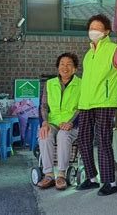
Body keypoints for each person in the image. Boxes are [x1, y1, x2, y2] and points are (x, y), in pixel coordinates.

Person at [76, 14, 117, 196]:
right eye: (91, 28)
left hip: (105, 103)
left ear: (107, 31)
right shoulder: (88, 54)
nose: (93, 31)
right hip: (86, 103)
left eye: (98, 28)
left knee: (103, 141)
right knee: (83, 139)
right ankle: (91, 178)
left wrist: (116, 97)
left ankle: (110, 182)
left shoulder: (114, 50)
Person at [37, 53, 81, 190]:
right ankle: (48, 174)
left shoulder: (82, 84)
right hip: (53, 122)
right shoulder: (50, 84)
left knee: (63, 135)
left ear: (75, 69)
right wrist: (44, 123)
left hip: (72, 124)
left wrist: (71, 123)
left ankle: (61, 174)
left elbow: (83, 108)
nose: (65, 67)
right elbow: (43, 106)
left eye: (69, 64)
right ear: (58, 67)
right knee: (44, 134)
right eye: (62, 64)